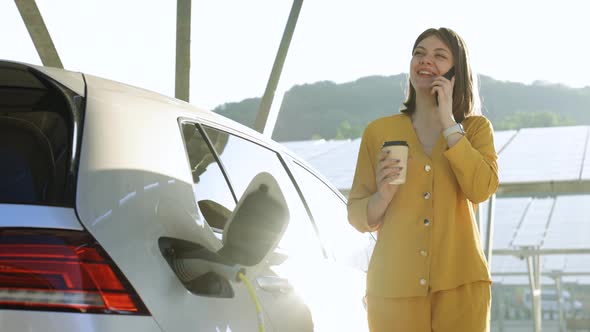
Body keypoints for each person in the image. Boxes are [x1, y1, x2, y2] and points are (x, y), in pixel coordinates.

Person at [347, 27, 498, 332]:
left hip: (461, 287)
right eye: (419, 53)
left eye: (439, 55)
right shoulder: (378, 132)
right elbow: (358, 216)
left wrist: (448, 122)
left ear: (457, 71)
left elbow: (481, 189)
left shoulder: (476, 129)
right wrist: (384, 195)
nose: (425, 60)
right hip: (392, 291)